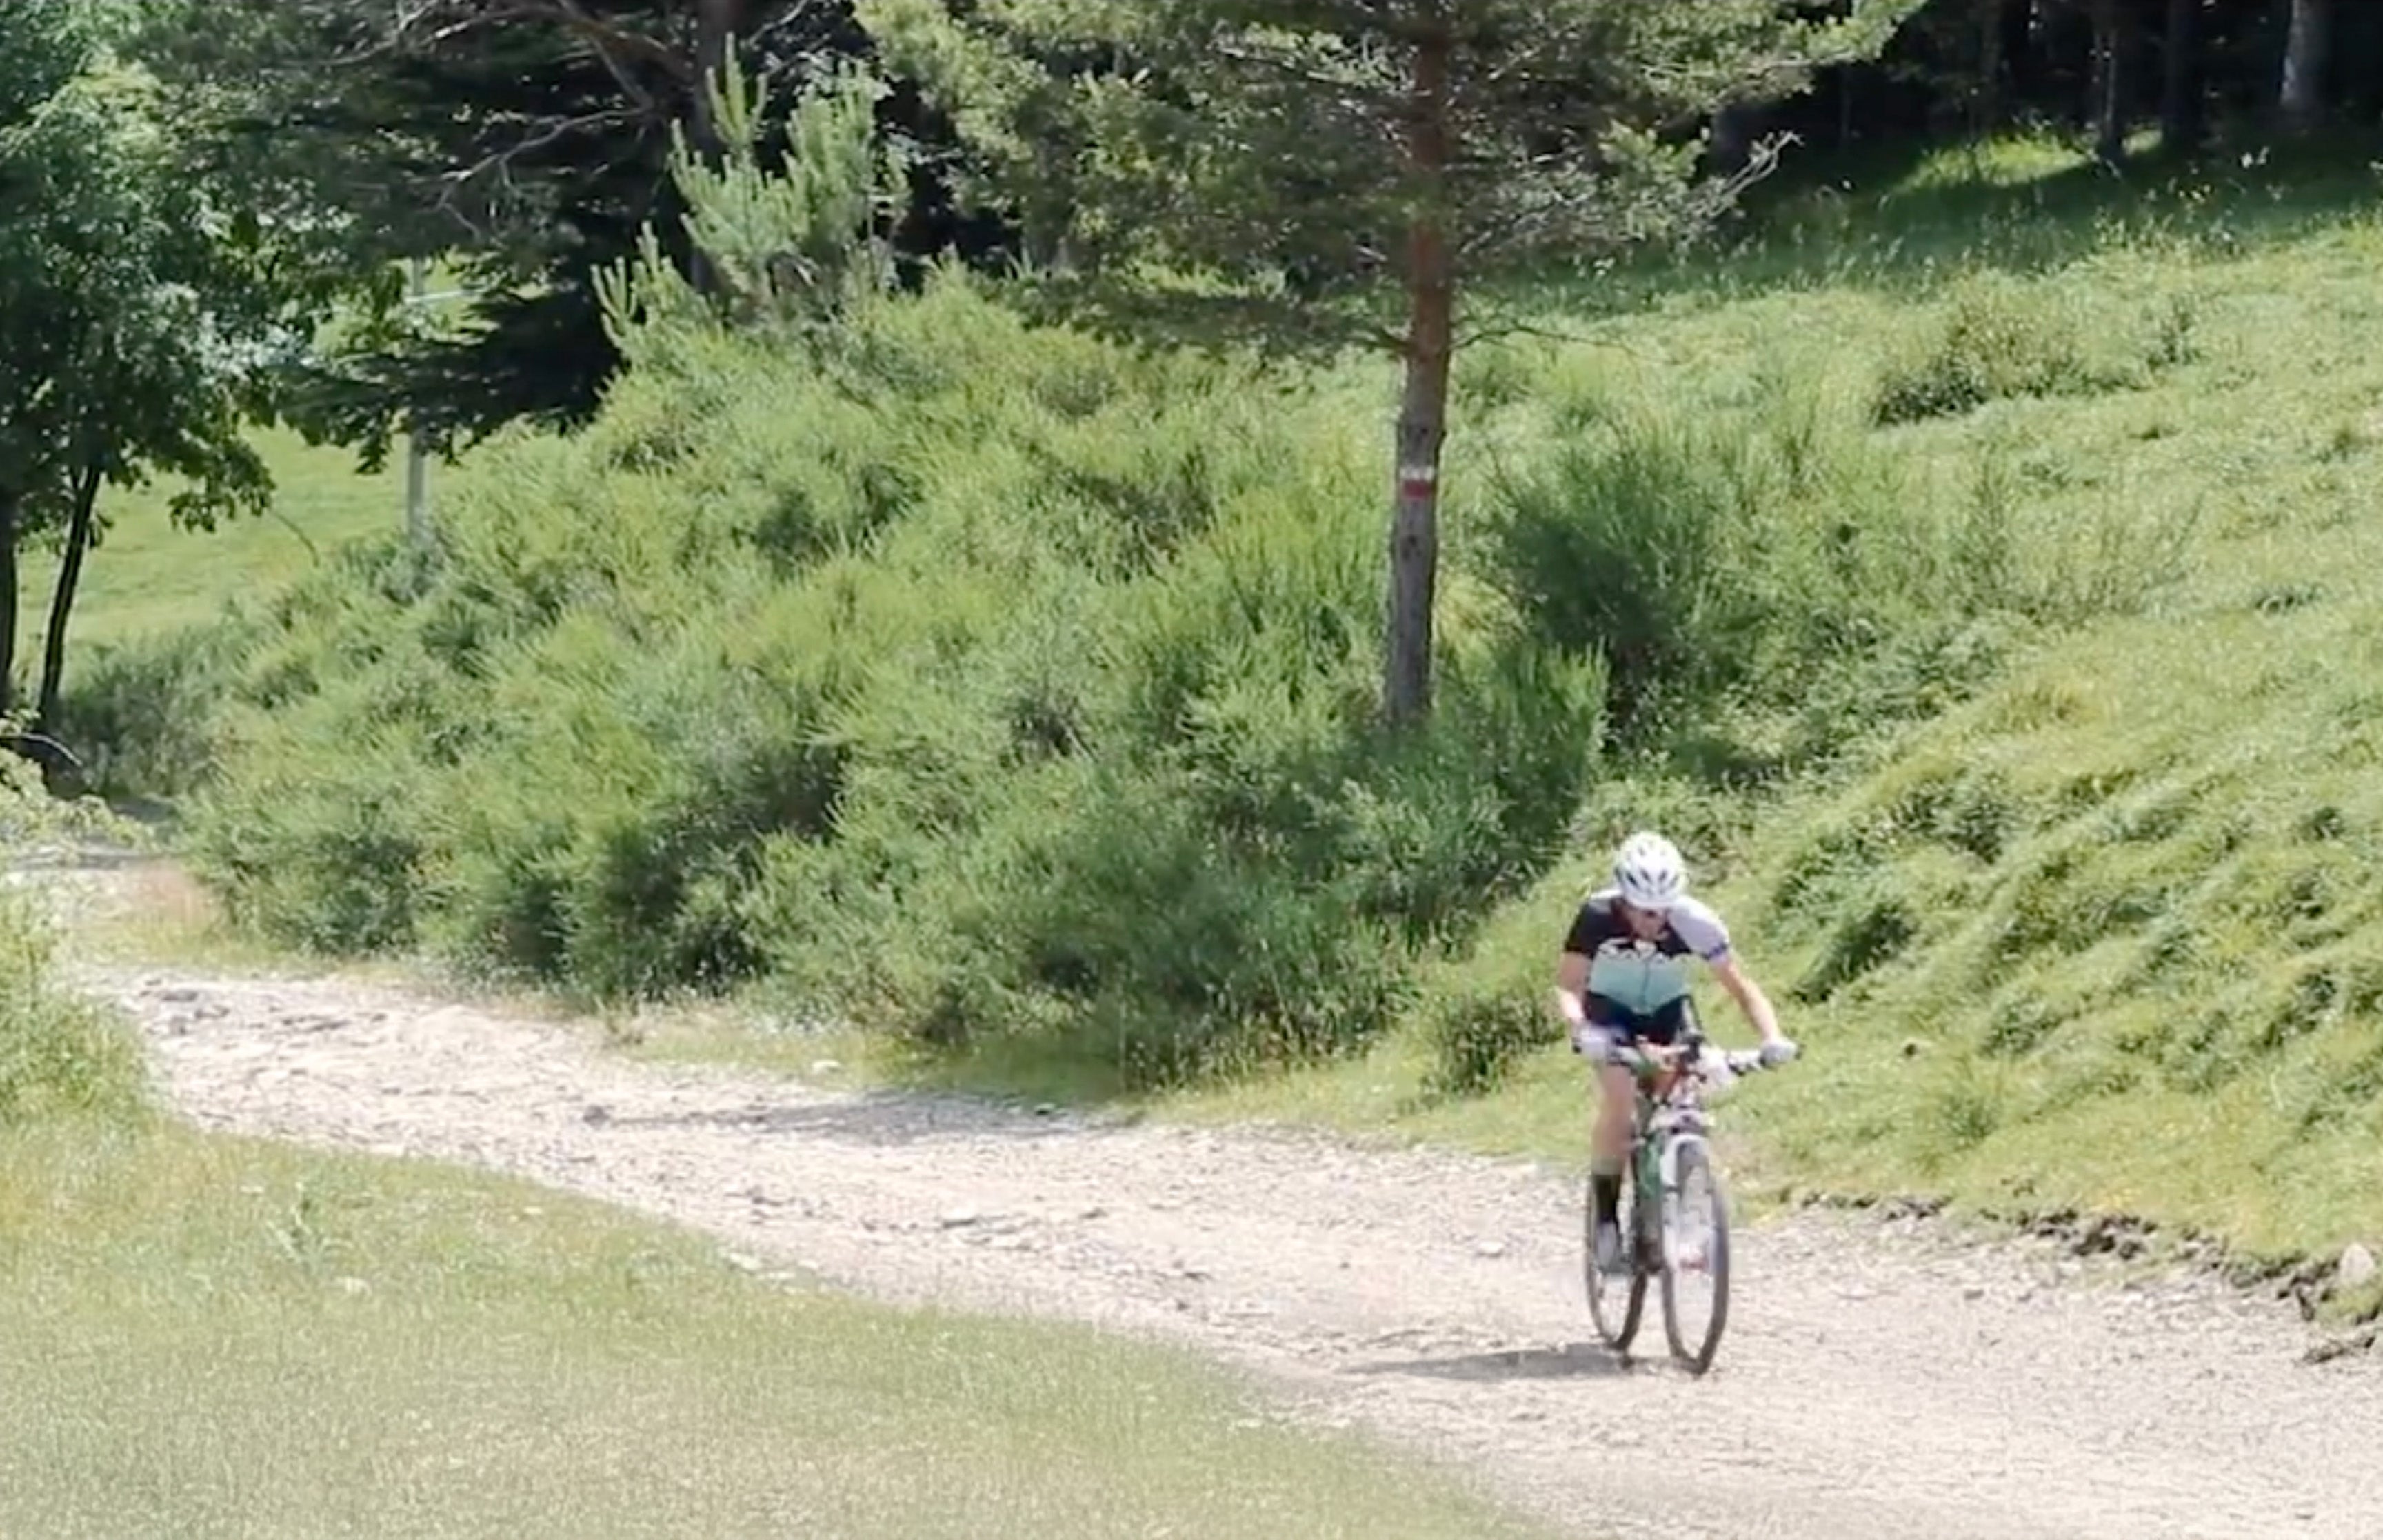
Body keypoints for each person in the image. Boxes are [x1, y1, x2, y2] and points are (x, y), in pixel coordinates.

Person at [1552, 830, 1797, 1275]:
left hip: (1668, 1014)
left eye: (1663, 911)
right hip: (1609, 1017)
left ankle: (1681, 1210)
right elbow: (1568, 984)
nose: (1654, 922)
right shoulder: (1595, 916)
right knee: (1621, 1100)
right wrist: (1580, 1027)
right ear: (1623, 900)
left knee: (1687, 1095)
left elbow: (1743, 988)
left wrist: (1772, 1037)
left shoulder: (1696, 922)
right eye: (1645, 912)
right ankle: (1606, 1222)